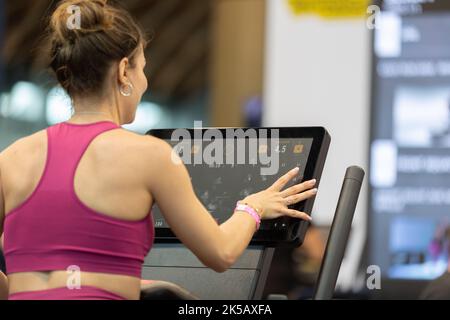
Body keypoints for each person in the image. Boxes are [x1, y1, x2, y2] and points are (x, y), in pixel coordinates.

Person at [0, 0, 317, 300]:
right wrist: (253, 206)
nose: (144, 82)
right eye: (142, 68)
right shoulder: (150, 156)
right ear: (124, 71)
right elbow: (221, 252)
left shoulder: (11, 158)